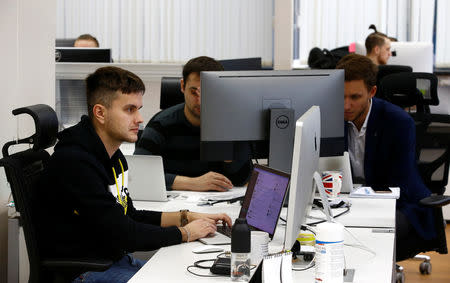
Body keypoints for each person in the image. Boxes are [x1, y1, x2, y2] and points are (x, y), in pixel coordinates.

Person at [35, 66, 232, 283]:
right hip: (84, 271)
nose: (139, 119)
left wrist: (187, 217)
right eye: (130, 110)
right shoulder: (75, 162)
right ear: (100, 112)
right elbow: (126, 234)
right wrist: (185, 233)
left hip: (110, 261)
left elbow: (129, 215)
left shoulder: (112, 154)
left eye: (138, 108)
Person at [336, 54, 435, 261]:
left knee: (365, 239)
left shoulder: (398, 122)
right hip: (351, 199)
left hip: (400, 203)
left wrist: (359, 202)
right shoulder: (331, 117)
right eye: (341, 96)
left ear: (372, 92)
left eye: (355, 97)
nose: (346, 105)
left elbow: (399, 184)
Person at [134, 56, 253, 192]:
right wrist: (193, 183)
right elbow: (139, 173)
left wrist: (229, 158)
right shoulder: (161, 124)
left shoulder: (231, 124)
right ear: (182, 86)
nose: (200, 101)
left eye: (208, 92)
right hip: (173, 206)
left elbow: (242, 180)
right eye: (193, 92)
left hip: (218, 205)